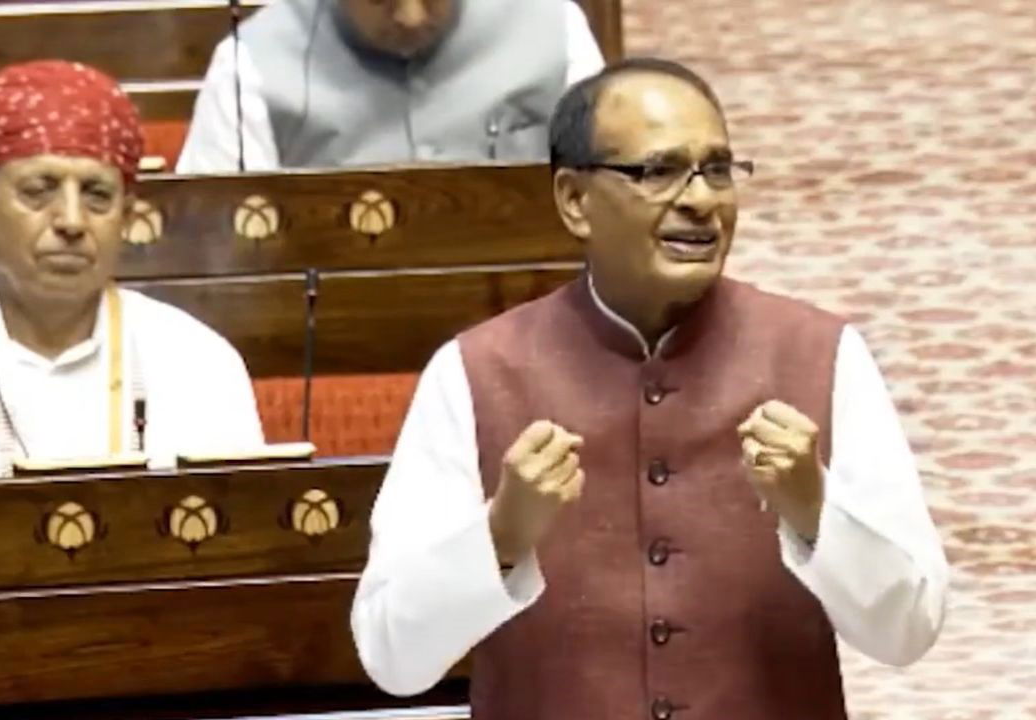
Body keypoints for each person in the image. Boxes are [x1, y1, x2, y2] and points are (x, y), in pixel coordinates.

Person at [350, 58, 949, 719]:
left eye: (718, 170)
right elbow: (391, 657)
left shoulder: (824, 356)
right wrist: (502, 534)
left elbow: (909, 630)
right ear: (575, 200)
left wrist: (814, 510)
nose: (700, 199)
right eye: (658, 172)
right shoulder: (473, 372)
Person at [0, 60, 265, 481]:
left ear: (125, 218)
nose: (71, 220)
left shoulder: (196, 361)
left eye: (97, 195)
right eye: (38, 191)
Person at [176, 0, 606, 172]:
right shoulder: (249, 63)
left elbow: (616, 203)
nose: (411, 17)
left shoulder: (554, 28)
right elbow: (218, 256)